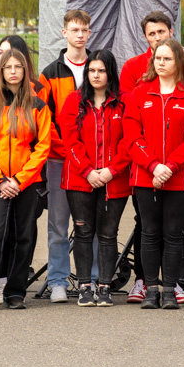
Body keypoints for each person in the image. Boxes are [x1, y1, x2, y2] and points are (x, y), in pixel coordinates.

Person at [119, 11, 184, 304]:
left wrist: (171, 166)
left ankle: (169, 289)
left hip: (178, 177)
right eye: (158, 59)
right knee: (150, 233)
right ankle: (151, 289)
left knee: (173, 234)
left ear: (179, 61)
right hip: (145, 176)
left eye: (167, 58)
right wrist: (154, 165)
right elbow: (132, 136)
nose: (162, 62)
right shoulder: (141, 93)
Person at [0, 48, 51, 311]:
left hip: (27, 183)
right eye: (8, 67)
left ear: (25, 71)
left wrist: (18, 180)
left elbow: (42, 147)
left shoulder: (38, 105)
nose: (14, 71)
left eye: (18, 67)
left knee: (23, 236)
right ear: (1, 71)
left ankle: (15, 292)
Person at [59, 50, 130, 307]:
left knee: (109, 234)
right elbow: (70, 140)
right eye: (92, 70)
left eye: (101, 70)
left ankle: (105, 287)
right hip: (80, 178)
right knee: (83, 232)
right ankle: (85, 287)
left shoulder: (125, 102)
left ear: (110, 72)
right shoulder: (74, 101)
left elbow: (129, 141)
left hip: (115, 179)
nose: (96, 75)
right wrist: (88, 170)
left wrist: (113, 169)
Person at [41, 9, 93, 304]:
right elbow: (44, 121)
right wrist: (67, 148)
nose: (80, 35)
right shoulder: (50, 73)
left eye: (84, 30)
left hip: (93, 161)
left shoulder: (99, 67)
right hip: (60, 159)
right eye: (75, 30)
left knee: (91, 224)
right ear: (65, 33)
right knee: (59, 224)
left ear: (89, 33)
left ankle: (96, 278)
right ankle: (58, 280)